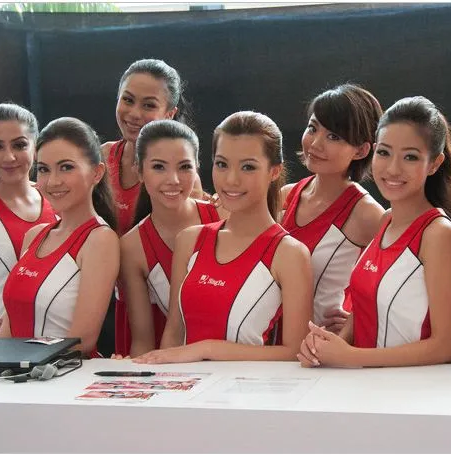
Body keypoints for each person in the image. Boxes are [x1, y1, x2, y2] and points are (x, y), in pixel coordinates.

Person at [298, 96, 451, 368]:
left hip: (410, 388)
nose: (393, 168)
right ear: (373, 151)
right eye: (385, 153)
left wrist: (350, 356)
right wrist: (327, 345)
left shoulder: (437, 233)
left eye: (410, 157)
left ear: (434, 163)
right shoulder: (386, 220)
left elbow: (443, 346)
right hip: (368, 383)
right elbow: (365, 307)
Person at [134, 111, 313, 364]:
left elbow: (295, 352)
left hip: (250, 387)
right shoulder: (189, 241)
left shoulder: (290, 254)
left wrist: (207, 349)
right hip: (183, 386)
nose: (231, 179)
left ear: (274, 171)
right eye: (222, 164)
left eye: (248, 167)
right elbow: (174, 333)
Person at [102, 58, 204, 355]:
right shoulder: (101, 160)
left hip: (173, 304)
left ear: (169, 114)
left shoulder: (186, 182)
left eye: (148, 105)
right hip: (118, 304)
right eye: (128, 100)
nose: (134, 113)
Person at [0, 117, 119, 357]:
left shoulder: (100, 240)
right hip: (17, 373)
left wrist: (23, 366)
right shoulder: (34, 236)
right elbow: (8, 328)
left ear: (97, 173)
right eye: (44, 169)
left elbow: (82, 341)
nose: (53, 181)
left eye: (66, 167)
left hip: (64, 375)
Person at [280, 84, 385, 334]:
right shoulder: (285, 195)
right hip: (264, 345)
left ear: (361, 150)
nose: (316, 143)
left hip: (319, 347)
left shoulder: (367, 214)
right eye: (312, 128)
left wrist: (355, 322)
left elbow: (399, 290)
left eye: (334, 137)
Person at [119, 120, 221, 357]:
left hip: (245, 363)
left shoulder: (224, 215)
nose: (173, 179)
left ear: (197, 168)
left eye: (184, 167)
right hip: (181, 366)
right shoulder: (132, 247)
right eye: (159, 167)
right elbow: (142, 341)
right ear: (139, 171)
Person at [0, 103, 57, 337]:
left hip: (62, 344)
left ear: (35, 147)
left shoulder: (59, 200)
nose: (9, 156)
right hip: (3, 347)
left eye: (19, 145)